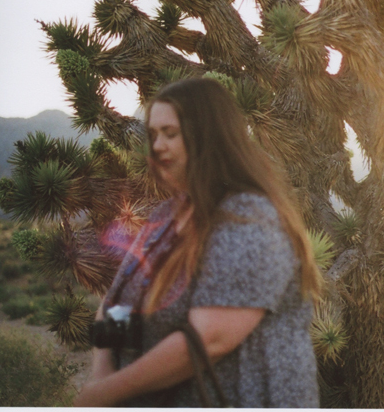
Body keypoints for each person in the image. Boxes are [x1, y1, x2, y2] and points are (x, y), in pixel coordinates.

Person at [74, 78, 321, 407]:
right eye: (153, 135)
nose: (157, 146)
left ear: (209, 136)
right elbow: (117, 302)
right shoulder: (166, 216)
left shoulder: (250, 219)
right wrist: (101, 374)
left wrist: (107, 393)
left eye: (170, 133)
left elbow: (211, 338)